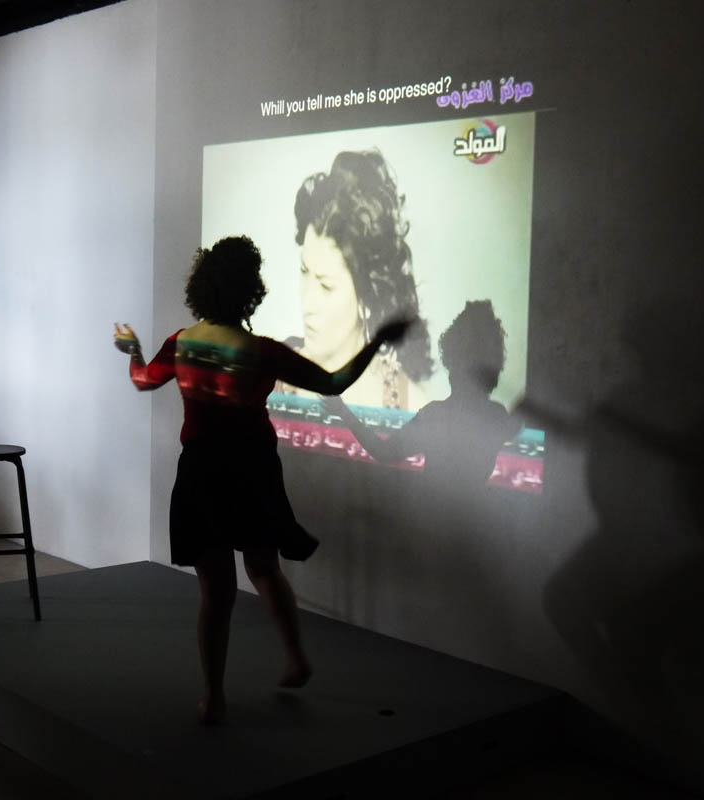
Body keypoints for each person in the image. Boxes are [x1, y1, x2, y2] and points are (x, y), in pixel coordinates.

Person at [114, 235, 410, 724]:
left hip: (202, 474)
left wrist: (132, 350)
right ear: (250, 291)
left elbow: (142, 380)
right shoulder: (263, 352)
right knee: (264, 568)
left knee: (216, 593)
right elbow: (334, 382)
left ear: (202, 286)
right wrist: (376, 340)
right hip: (252, 471)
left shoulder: (181, 343)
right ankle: (296, 659)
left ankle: (214, 697)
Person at [280, 149, 433, 410]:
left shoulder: (411, 409)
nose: (307, 303)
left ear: (367, 298)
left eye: (326, 285)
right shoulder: (266, 383)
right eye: (304, 272)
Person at [325, 300, 517, 491]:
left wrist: (342, 411)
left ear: (454, 363)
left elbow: (385, 452)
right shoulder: (498, 417)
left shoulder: (436, 416)